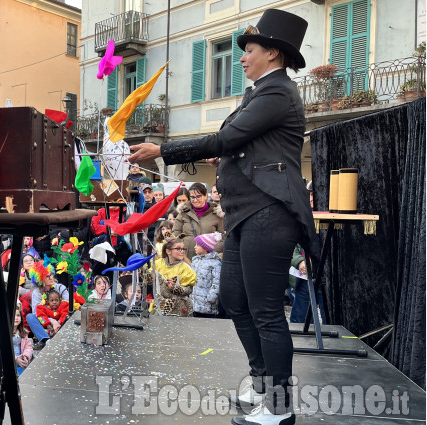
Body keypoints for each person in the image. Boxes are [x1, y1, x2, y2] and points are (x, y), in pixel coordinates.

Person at [128, 9, 316, 424]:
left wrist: (164, 150)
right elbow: (243, 146)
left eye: (249, 50)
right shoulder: (260, 93)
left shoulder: (277, 92)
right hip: (247, 215)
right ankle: (263, 380)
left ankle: (280, 408)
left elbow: (229, 136)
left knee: (266, 310)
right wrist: (224, 154)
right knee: (234, 299)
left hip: (271, 212)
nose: (242, 58)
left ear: (272, 52)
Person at [172, 183, 224, 258]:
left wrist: (213, 251)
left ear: (205, 196)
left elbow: (223, 237)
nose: (195, 200)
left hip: (210, 259)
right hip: (186, 258)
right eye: (192, 197)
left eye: (198, 196)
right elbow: (175, 235)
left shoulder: (217, 214)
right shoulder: (183, 213)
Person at [153, 237, 196, 316]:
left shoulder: (185, 268)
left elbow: (189, 290)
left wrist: (175, 288)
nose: (182, 251)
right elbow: (149, 280)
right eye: (178, 249)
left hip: (179, 307)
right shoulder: (158, 264)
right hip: (160, 304)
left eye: (183, 249)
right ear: (168, 251)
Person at [190, 233, 222, 318]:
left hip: (207, 304)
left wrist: (211, 298)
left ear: (205, 248)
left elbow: (217, 282)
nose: (195, 247)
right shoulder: (195, 260)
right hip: (193, 302)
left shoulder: (215, 263)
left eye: (198, 245)